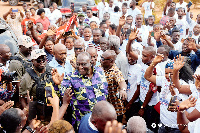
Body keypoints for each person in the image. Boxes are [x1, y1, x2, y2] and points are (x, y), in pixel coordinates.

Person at [52, 52, 108, 129]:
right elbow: (63, 94)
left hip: (102, 120)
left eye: (83, 64)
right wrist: (58, 84)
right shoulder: (70, 77)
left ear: (90, 62)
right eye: (78, 64)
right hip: (84, 123)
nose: (80, 67)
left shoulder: (100, 71)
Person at [100, 50, 127, 122]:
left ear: (111, 61)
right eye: (101, 57)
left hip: (115, 109)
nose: (100, 60)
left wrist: (123, 90)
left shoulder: (115, 71)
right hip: (105, 107)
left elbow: (121, 81)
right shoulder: (101, 67)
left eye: (103, 59)